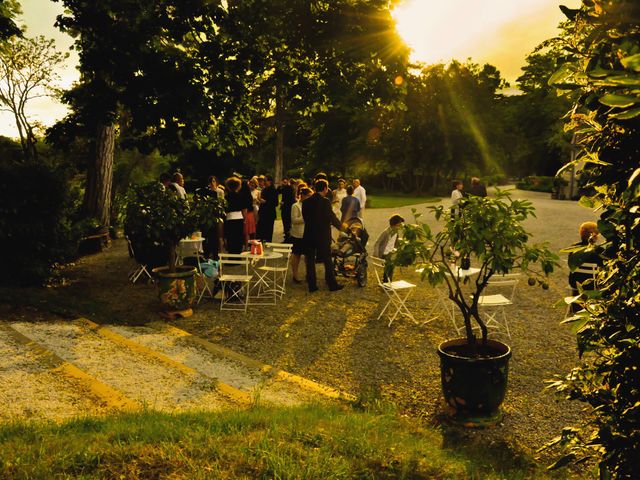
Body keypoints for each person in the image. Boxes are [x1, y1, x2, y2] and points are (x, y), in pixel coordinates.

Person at [302, 179, 344, 292]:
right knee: (327, 260)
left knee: (310, 261)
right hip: (322, 235)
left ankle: (312, 286)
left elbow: (305, 218)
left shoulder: (305, 202)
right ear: (325, 188)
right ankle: (332, 284)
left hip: (309, 234)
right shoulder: (325, 202)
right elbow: (332, 217)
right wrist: (343, 228)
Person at [568, 221, 603, 296]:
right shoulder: (599, 251)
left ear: (581, 234)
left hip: (576, 285)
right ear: (595, 236)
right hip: (593, 286)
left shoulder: (573, 249)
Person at [290, 186, 313, 283]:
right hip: (298, 234)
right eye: (308, 196)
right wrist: (306, 217)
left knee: (308, 256)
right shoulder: (296, 206)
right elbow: (294, 220)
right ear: (302, 196)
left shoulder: (311, 205)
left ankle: (309, 274)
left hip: (308, 234)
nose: (310, 198)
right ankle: (295, 276)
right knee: (297, 255)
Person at [373, 214, 404, 282]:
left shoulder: (396, 231)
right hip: (385, 253)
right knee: (388, 268)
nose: (400, 226)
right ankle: (386, 282)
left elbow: (396, 242)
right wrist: (376, 254)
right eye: (399, 225)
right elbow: (377, 242)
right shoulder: (386, 232)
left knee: (391, 268)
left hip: (391, 252)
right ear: (394, 225)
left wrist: (399, 250)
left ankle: (387, 281)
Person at [223, 177, 247, 254]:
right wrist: (245, 219)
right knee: (238, 237)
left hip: (229, 218)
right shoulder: (241, 196)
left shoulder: (226, 197)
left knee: (230, 238)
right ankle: (238, 256)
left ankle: (231, 255)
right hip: (239, 217)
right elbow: (244, 209)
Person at [257, 175, 277, 242]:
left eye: (265, 181)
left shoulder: (273, 190)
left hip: (269, 214)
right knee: (261, 231)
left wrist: (265, 201)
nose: (264, 182)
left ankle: (268, 244)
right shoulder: (264, 189)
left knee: (268, 231)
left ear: (270, 181)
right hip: (263, 213)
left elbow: (275, 203)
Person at [278, 178, 296, 243]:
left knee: (287, 223)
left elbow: (290, 199)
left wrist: (284, 203)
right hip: (286, 208)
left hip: (287, 208)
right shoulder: (286, 188)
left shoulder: (289, 188)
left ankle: (288, 237)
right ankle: (287, 236)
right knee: (286, 224)